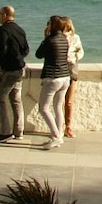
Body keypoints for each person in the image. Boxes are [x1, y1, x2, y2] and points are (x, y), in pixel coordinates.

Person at [0, 5, 29, 144]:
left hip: (9, 70)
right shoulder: (20, 29)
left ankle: (5, 132)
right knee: (16, 100)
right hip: (20, 69)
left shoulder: (3, 30)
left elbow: (1, 48)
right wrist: (18, 57)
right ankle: (18, 131)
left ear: (5, 15)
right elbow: (26, 50)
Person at [36, 14, 72, 149]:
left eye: (48, 24)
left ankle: (56, 136)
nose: (47, 26)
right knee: (57, 107)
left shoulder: (50, 40)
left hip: (53, 78)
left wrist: (45, 38)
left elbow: (38, 54)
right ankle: (59, 134)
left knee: (44, 108)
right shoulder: (64, 39)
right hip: (65, 77)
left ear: (52, 26)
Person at [64, 19, 84, 139]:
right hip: (60, 69)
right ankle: (60, 126)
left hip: (71, 69)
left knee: (69, 101)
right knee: (59, 101)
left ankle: (68, 126)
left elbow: (80, 52)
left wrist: (73, 58)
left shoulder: (75, 38)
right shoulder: (56, 37)